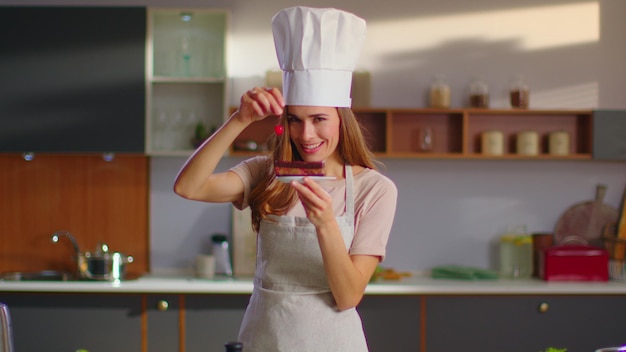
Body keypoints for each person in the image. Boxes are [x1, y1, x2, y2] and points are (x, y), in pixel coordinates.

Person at [174, 6, 397, 351]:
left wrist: (325, 224)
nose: (305, 134)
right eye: (295, 119)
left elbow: (348, 296)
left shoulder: (374, 189)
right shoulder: (267, 171)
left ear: (341, 119)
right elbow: (188, 187)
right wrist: (239, 119)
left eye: (319, 119)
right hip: (265, 338)